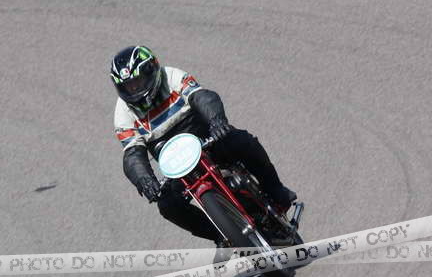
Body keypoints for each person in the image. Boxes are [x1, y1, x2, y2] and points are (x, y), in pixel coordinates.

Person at [110, 45, 296, 252]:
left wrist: (217, 121)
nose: (134, 90)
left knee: (242, 141)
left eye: (138, 82)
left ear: (151, 71)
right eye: (128, 87)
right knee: (167, 205)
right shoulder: (123, 113)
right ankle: (221, 236)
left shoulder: (172, 76)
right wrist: (144, 180)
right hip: (176, 165)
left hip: (207, 139)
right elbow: (132, 154)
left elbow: (202, 97)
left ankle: (276, 190)